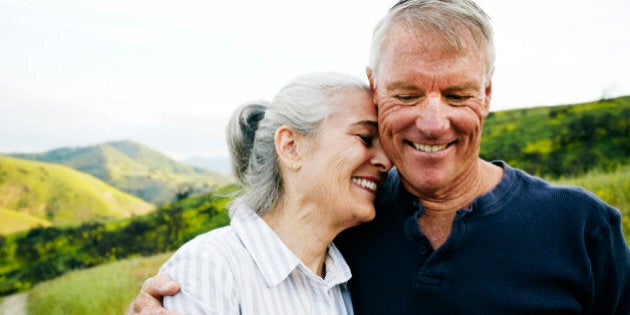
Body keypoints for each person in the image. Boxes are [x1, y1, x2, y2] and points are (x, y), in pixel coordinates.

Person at [127, 0, 630, 314]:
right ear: (374, 86)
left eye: (457, 95)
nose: (433, 122)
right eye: (407, 94)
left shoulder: (582, 228)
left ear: (487, 95)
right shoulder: (347, 225)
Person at [143, 72, 391, 314]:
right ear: (291, 147)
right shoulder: (209, 270)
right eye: (365, 137)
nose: (385, 162)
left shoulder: (347, 281)